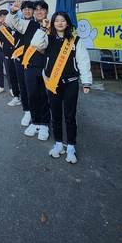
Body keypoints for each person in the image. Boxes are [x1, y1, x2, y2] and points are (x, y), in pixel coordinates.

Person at [32, 11, 92, 164]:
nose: (60, 23)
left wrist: (86, 81)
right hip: (53, 83)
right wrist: (43, 28)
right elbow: (36, 44)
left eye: (63, 20)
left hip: (70, 82)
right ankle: (59, 143)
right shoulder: (48, 38)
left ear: (68, 23)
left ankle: (71, 146)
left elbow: (83, 61)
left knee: (70, 116)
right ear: (53, 23)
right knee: (56, 115)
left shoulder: (75, 40)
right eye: (56, 20)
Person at [6, 0, 51, 141]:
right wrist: (13, 10)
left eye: (41, 9)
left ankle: (44, 124)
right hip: (30, 65)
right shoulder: (27, 25)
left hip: (46, 67)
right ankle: (35, 121)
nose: (38, 12)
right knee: (32, 95)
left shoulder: (53, 25)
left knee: (45, 97)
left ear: (47, 11)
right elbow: (11, 22)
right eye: (36, 9)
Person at [0, 9, 21, 107]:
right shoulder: (0, 29)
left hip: (19, 54)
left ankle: (24, 95)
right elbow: (2, 40)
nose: (3, 18)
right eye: (1, 17)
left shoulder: (16, 26)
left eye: (5, 16)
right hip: (8, 55)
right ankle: (16, 96)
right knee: (11, 75)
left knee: (21, 76)